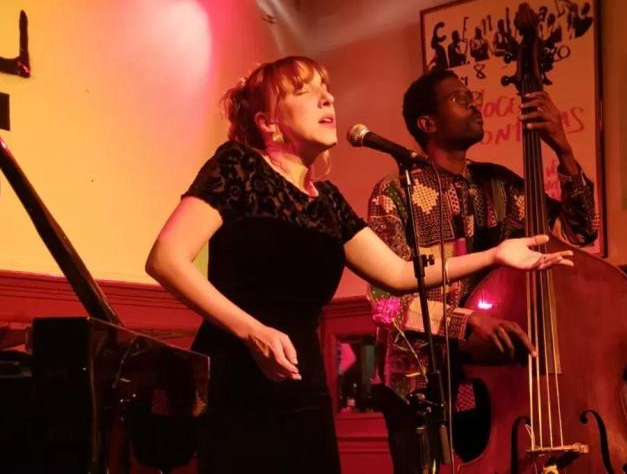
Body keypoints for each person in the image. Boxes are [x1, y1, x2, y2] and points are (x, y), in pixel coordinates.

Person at [145, 56, 574, 474]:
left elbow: (399, 273)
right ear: (268, 123)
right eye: (305, 91)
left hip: (303, 379)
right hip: (238, 373)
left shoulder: (328, 200)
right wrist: (251, 331)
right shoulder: (238, 166)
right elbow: (166, 259)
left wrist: (496, 254)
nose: (327, 99)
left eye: (327, 91)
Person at [367, 68, 598, 473]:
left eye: (472, 95)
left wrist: (562, 148)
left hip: (493, 383)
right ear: (427, 123)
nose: (475, 104)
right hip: (419, 386)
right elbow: (386, 305)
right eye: (460, 98)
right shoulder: (395, 192)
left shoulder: (502, 186)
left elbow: (581, 232)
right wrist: (466, 321)